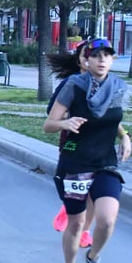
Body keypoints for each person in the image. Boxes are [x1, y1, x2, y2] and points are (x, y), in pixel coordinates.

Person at [43, 38, 132, 263]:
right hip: (75, 162)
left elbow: (110, 119)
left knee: (106, 220)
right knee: (76, 224)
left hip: (105, 162)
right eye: (96, 55)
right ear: (86, 60)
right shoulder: (74, 86)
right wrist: (64, 124)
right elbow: (48, 124)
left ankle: (93, 257)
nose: (102, 60)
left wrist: (125, 136)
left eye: (107, 55)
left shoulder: (116, 87)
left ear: (113, 60)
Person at [46, 41, 95, 248]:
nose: (93, 58)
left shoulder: (107, 83)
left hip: (98, 144)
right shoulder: (71, 83)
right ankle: (70, 207)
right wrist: (70, 116)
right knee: (76, 187)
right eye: (88, 54)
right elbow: (51, 113)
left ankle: (83, 231)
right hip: (73, 142)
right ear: (81, 60)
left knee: (93, 190)